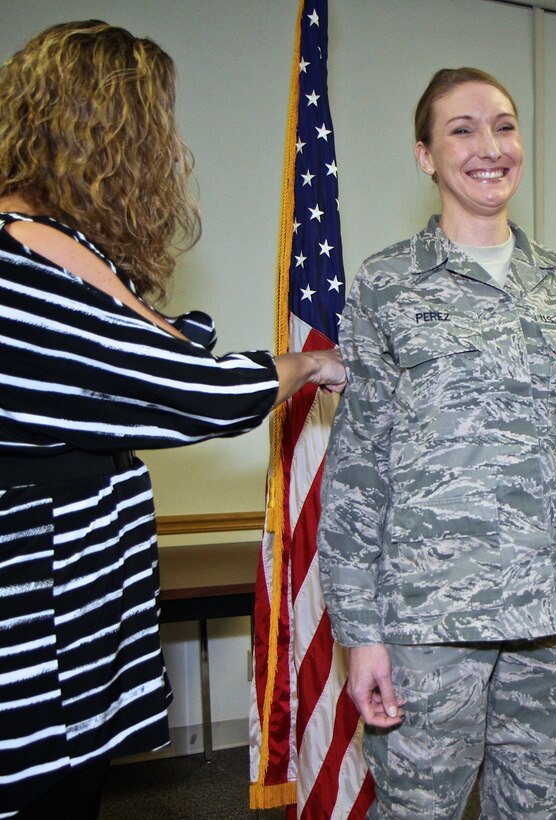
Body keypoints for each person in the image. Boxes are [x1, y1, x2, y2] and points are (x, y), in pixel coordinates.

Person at [0, 21, 345, 818]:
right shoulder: (33, 250)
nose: (173, 148)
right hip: (33, 628)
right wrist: (309, 364)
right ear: (108, 131)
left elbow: (137, 362)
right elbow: (197, 392)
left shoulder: (35, 246)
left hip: (48, 613)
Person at [318, 67, 556, 818]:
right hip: (430, 622)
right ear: (425, 155)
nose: (490, 146)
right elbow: (358, 472)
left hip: (551, 614)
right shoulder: (385, 285)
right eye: (462, 129)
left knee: (534, 809)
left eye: (505, 125)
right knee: (419, 810)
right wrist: (362, 636)